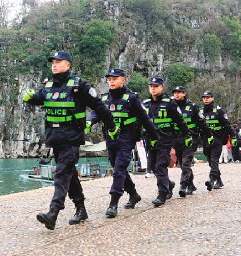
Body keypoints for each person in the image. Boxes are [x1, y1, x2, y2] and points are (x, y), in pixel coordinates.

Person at [23, 51, 117, 230]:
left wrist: (112, 126)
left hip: (72, 137)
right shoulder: (48, 85)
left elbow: (99, 106)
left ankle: (53, 213)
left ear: (68, 65)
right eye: (53, 62)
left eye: (58, 62)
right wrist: (30, 98)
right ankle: (81, 209)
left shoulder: (79, 85)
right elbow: (40, 99)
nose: (54, 65)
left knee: (61, 173)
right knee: (69, 174)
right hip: (55, 138)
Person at [87, 69, 160, 217]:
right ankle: (133, 194)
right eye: (109, 79)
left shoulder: (131, 98)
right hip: (110, 138)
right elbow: (96, 112)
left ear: (123, 80)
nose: (111, 81)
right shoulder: (105, 98)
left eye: (115, 79)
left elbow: (145, 118)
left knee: (119, 169)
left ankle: (113, 203)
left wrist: (154, 137)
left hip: (127, 137)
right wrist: (89, 121)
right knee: (117, 167)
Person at [141, 78, 191, 206]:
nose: (153, 88)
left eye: (156, 86)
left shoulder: (170, 103)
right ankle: (169, 184)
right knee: (153, 167)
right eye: (151, 86)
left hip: (165, 139)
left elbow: (180, 120)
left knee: (160, 166)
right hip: (150, 140)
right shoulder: (145, 103)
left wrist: (187, 135)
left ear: (162, 87)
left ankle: (162, 193)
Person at [171, 85, 210, 197]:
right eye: (175, 93)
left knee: (186, 162)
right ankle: (191, 185)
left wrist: (209, 135)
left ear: (184, 94)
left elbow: (202, 122)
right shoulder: (171, 106)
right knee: (182, 164)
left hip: (191, 138)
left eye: (179, 92)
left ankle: (183, 186)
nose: (176, 94)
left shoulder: (192, 107)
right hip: (176, 138)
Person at [200, 91, 233, 189]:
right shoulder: (200, 111)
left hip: (217, 138)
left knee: (214, 160)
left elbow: (227, 124)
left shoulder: (218, 110)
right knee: (210, 161)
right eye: (204, 98)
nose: (206, 99)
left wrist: (233, 136)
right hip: (205, 139)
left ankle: (211, 179)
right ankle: (219, 180)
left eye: (208, 97)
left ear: (212, 98)